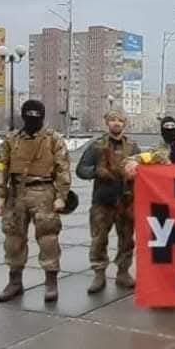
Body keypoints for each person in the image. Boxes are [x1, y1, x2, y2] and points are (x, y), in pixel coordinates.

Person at [0, 100, 71, 303]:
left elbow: (63, 168)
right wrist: (0, 195)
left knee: (48, 238)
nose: (32, 119)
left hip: (43, 192)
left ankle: (51, 281)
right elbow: (0, 166)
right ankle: (15, 281)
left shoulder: (53, 139)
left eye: (37, 115)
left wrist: (61, 196)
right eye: (29, 115)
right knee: (13, 239)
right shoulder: (11, 140)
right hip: (16, 193)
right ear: (23, 115)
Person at [76, 110, 140, 294]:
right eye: (112, 120)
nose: (116, 123)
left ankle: (123, 272)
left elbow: (142, 169)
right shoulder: (97, 145)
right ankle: (99, 273)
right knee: (99, 239)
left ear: (125, 124)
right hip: (102, 201)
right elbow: (81, 169)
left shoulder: (133, 147)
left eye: (120, 120)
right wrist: (96, 171)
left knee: (126, 240)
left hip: (126, 200)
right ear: (107, 123)